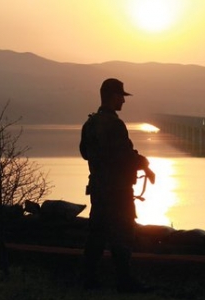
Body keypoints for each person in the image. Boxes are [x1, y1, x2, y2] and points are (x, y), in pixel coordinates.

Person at [79, 78, 155, 293]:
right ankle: (124, 281)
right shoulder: (115, 124)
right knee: (122, 234)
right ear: (112, 97)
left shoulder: (90, 123)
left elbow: (85, 153)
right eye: (121, 96)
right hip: (118, 190)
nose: (124, 100)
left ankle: (89, 279)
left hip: (99, 189)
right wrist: (145, 164)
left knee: (97, 234)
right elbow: (125, 156)